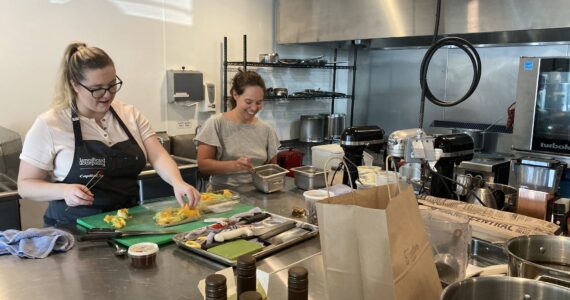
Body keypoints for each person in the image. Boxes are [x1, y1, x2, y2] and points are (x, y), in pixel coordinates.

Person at [17, 42, 200, 227]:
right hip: (72, 231)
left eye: (112, 85)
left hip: (128, 223)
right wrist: (64, 191)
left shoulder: (129, 114)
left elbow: (158, 155)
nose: (107, 95)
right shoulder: (51, 124)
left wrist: (177, 182)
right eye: (97, 89)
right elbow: (25, 185)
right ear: (75, 85)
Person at [194, 70, 280, 188]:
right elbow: (203, 165)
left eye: (259, 102)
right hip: (223, 195)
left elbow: (272, 169)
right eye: (248, 101)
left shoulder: (267, 129)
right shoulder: (216, 124)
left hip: (258, 193)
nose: (254, 108)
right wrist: (234, 165)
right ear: (235, 95)